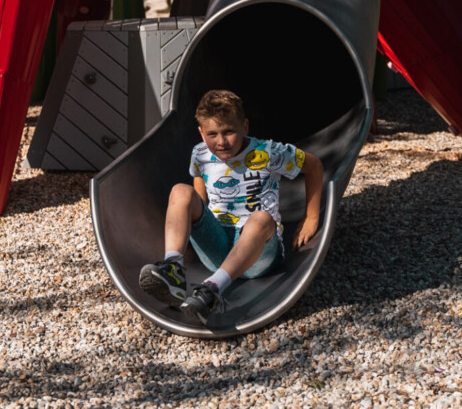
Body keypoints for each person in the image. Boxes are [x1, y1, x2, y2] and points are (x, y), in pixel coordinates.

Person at [138, 88, 324, 324]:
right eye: (212, 134)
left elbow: (314, 166)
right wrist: (193, 230)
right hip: (217, 249)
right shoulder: (200, 154)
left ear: (244, 127)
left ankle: (212, 291)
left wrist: (311, 218)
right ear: (201, 133)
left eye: (228, 132)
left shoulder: (268, 152)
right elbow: (199, 202)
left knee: (260, 218)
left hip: (259, 254)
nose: (221, 141)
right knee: (180, 191)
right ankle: (173, 269)